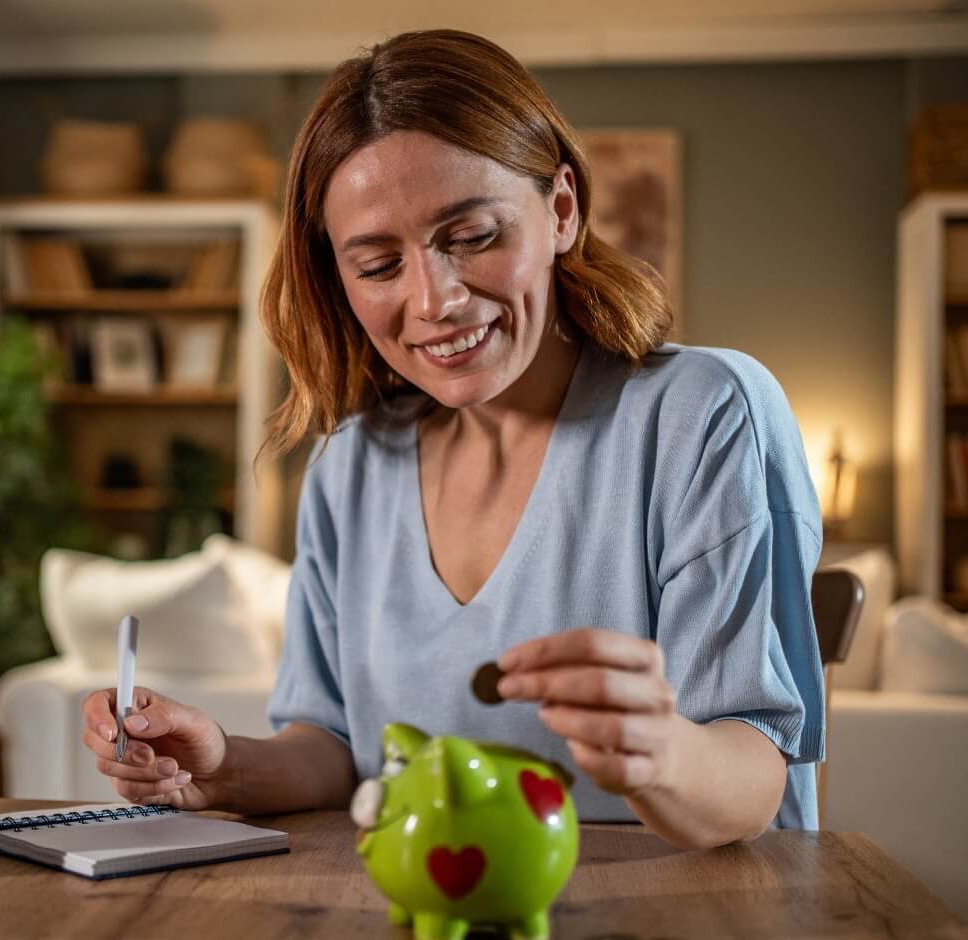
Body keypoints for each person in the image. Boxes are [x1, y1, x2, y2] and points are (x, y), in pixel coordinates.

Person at [82, 29, 823, 849]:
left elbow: (759, 777)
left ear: (563, 210)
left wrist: (659, 753)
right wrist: (223, 768)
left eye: (470, 237)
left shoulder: (702, 415)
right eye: (377, 265)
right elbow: (335, 748)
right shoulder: (349, 467)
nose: (434, 300)